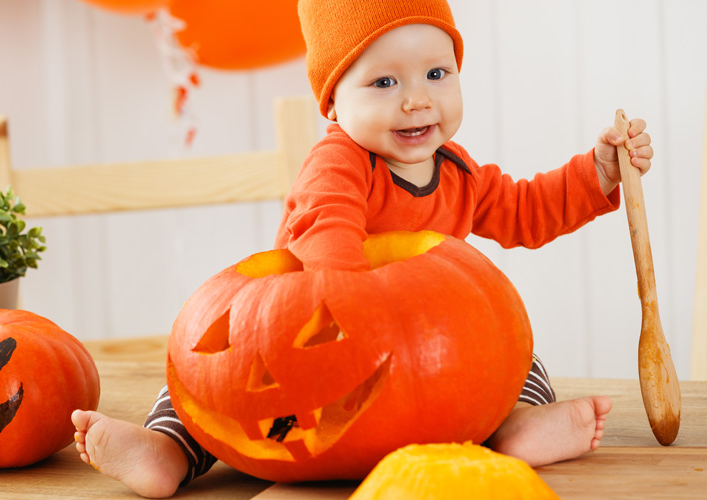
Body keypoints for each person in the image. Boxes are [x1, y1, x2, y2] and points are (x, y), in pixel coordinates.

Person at [71, 0, 654, 497]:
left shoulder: (458, 171)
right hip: (319, 341)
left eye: (437, 74)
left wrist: (597, 175)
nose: (417, 100)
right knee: (211, 384)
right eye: (384, 82)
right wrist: (357, 301)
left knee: (514, 356)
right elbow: (326, 223)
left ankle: (517, 427)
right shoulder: (340, 162)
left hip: (428, 353)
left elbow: (527, 211)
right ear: (333, 101)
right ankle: (166, 450)